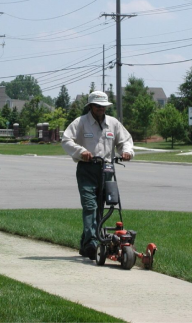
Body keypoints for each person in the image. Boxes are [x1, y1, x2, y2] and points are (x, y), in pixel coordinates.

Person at [62, 91, 134, 260]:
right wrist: (81, 151)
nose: (101, 109)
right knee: (90, 207)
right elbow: (66, 140)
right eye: (97, 106)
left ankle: (86, 243)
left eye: (103, 106)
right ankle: (92, 244)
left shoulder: (113, 124)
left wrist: (126, 152)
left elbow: (125, 141)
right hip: (87, 170)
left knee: (101, 209)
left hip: (106, 170)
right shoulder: (81, 122)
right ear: (91, 106)